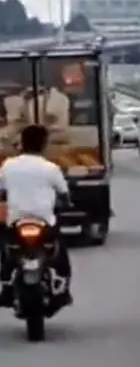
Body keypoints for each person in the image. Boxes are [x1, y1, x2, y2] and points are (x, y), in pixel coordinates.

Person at [0, 123, 72, 306]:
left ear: (22, 143)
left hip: (15, 221)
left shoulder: (8, 166)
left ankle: (5, 285)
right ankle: (63, 288)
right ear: (44, 144)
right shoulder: (50, 168)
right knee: (60, 254)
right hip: (44, 221)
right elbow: (64, 194)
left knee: (5, 251)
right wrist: (66, 203)